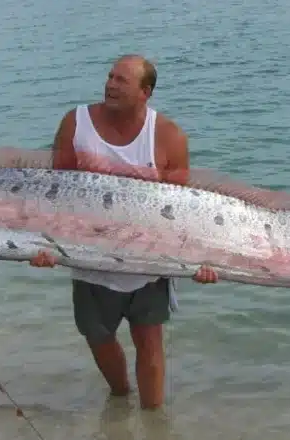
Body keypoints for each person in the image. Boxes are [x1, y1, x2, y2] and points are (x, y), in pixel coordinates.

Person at [28, 54, 217, 410]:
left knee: (149, 343)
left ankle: (153, 421)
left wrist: (200, 262)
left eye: (122, 81)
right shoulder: (75, 122)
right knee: (97, 337)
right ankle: (119, 399)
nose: (111, 85)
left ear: (146, 92)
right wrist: (43, 245)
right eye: (110, 76)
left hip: (147, 265)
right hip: (88, 260)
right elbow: (54, 193)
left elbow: (180, 213)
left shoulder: (168, 136)